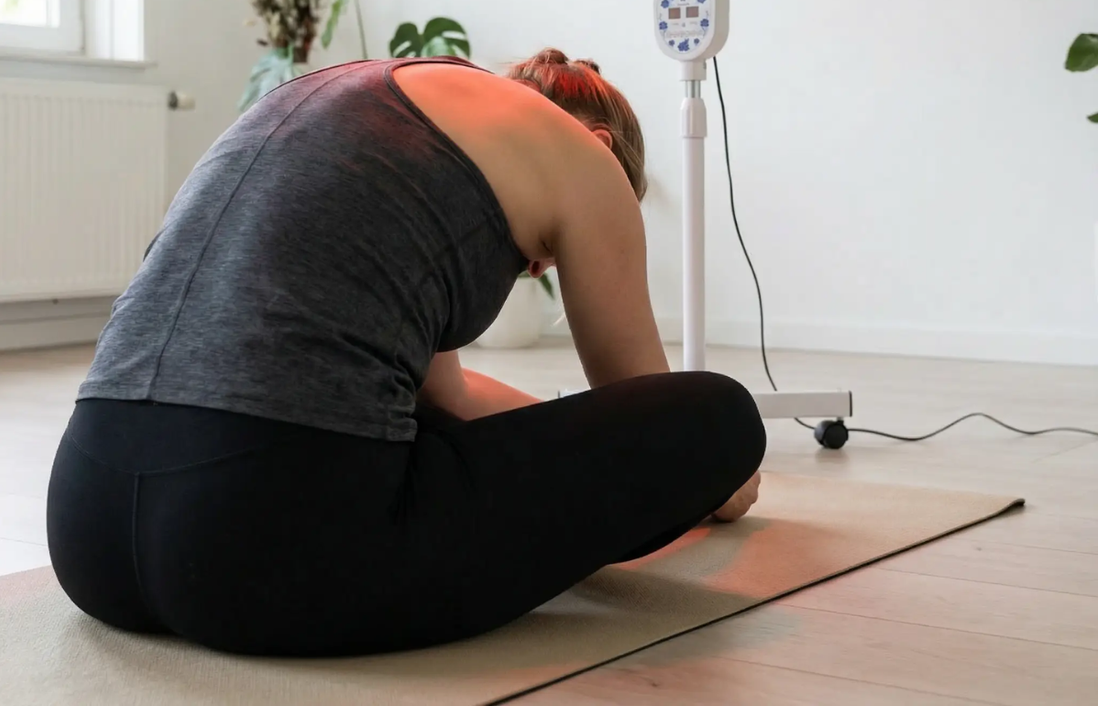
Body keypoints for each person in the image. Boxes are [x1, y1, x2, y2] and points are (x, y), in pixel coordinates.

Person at [46, 50, 765, 658]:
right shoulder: (584, 162)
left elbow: (450, 398)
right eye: (545, 261)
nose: (536, 269)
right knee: (716, 414)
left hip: (88, 530)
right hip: (263, 551)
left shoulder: (362, 98)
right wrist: (716, 479)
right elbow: (643, 406)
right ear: (603, 145)